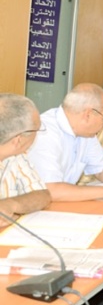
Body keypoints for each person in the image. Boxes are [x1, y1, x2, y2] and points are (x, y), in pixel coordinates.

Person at [28, 84, 103, 202]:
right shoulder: (44, 133)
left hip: (62, 205)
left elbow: (102, 169)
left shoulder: (86, 134)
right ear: (88, 115)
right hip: (33, 210)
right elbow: (50, 191)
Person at [0, 94, 51, 226]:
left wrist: (12, 204)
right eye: (36, 130)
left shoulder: (17, 156)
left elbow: (42, 195)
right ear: (18, 140)